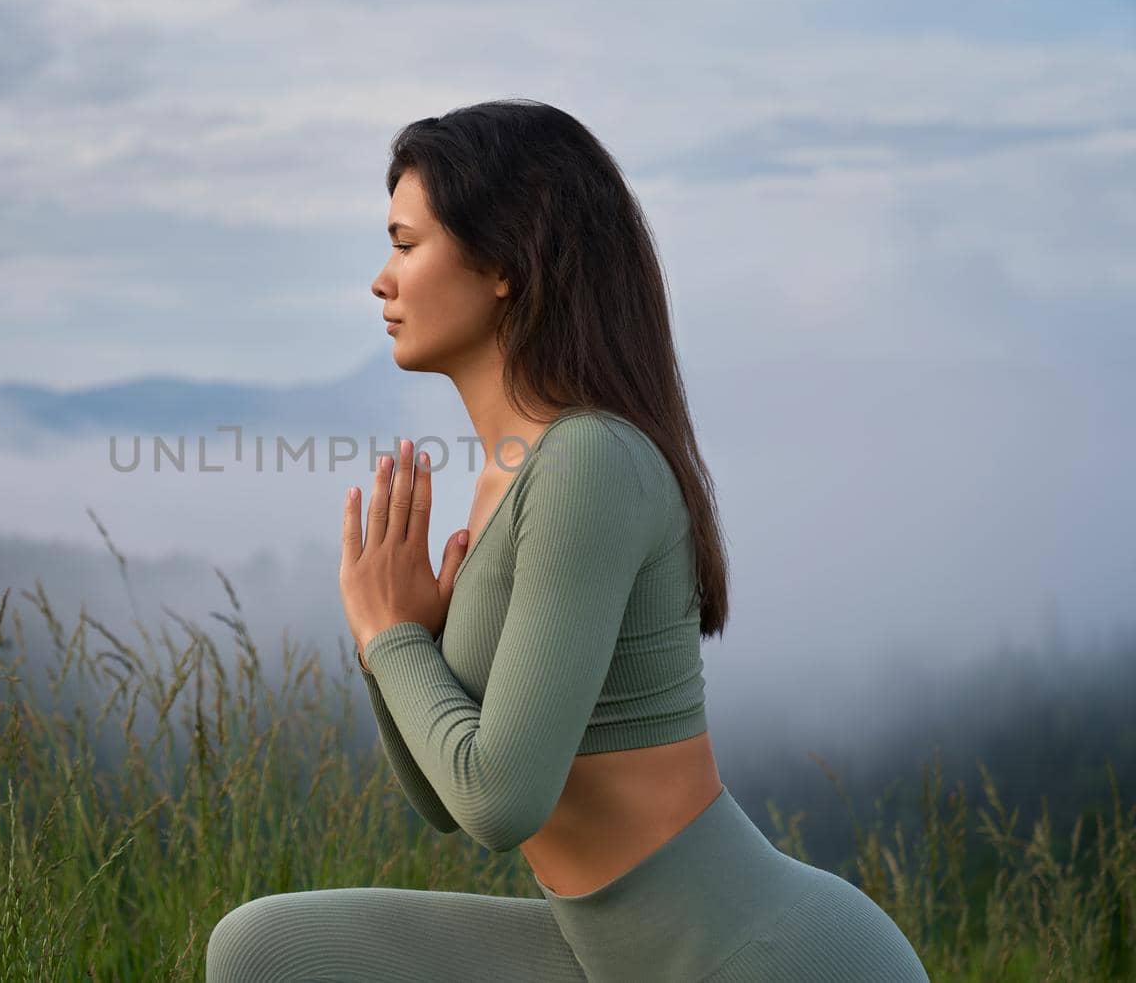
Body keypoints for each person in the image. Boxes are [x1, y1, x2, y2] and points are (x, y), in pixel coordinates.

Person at [206, 99, 928, 982]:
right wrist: (402, 641)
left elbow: (501, 801)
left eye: (404, 242)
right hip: (604, 953)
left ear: (503, 261)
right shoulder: (512, 474)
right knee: (264, 948)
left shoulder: (591, 458)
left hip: (761, 954)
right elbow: (442, 799)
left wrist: (389, 636)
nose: (380, 281)